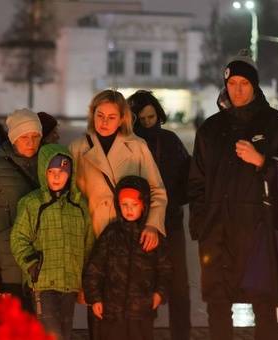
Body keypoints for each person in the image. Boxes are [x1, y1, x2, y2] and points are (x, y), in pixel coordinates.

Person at [188, 49, 278, 339]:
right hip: (216, 234)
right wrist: (201, 223)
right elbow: (196, 181)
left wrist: (263, 162)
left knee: (264, 306)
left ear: (255, 85)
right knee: (217, 307)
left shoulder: (276, 125)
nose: (237, 90)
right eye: (232, 83)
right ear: (225, 85)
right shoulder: (210, 129)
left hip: (258, 233)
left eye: (244, 83)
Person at [68, 89, 168, 339]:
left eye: (111, 117)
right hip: (95, 238)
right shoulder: (79, 148)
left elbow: (157, 190)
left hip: (132, 240)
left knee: (133, 312)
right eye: (100, 115)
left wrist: (153, 225)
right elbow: (70, 197)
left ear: (122, 118)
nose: (104, 122)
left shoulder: (137, 147)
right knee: (99, 307)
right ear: (92, 115)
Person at [11, 143, 94, 340]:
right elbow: (18, 238)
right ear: (43, 172)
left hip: (70, 284)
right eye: (51, 171)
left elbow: (88, 244)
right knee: (53, 335)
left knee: (64, 334)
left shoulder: (79, 206)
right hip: (43, 283)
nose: (57, 176)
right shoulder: (32, 203)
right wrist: (31, 265)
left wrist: (87, 280)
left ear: (70, 174)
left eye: (62, 171)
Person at [127, 89, 192, 340]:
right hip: (138, 223)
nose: (147, 124)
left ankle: (181, 334)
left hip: (171, 220)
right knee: (141, 283)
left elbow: (188, 177)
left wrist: (174, 200)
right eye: (141, 120)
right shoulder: (131, 144)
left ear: (158, 114)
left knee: (178, 284)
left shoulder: (170, 141)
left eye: (150, 118)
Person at [82, 175, 171, 340]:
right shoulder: (110, 234)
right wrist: (94, 298)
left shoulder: (153, 237)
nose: (129, 209)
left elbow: (165, 270)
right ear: (118, 204)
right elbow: (94, 269)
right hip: (110, 312)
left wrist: (159, 294)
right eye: (124, 204)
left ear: (144, 205)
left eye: (134, 204)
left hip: (142, 313)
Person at [0, 108, 43, 313]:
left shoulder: (49, 166)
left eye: (35, 136)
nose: (30, 142)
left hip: (43, 266)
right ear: (13, 139)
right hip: (8, 267)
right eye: (24, 137)